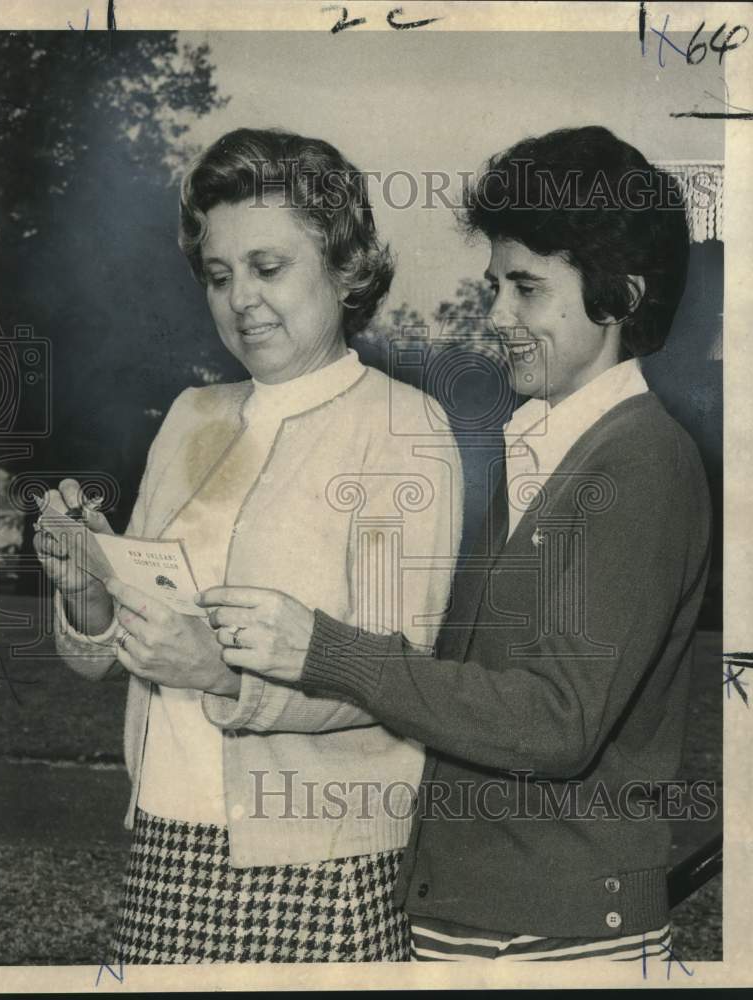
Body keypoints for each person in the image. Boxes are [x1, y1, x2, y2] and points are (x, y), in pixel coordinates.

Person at [202, 126, 713, 962]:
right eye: (493, 286)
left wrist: (326, 649)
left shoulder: (641, 462)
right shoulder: (547, 448)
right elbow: (467, 686)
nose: (496, 316)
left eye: (526, 289)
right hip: (477, 924)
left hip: (555, 937)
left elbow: (555, 723)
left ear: (618, 299)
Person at [34, 128, 462, 963]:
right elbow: (119, 654)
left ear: (345, 270)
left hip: (316, 860)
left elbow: (396, 675)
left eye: (268, 269)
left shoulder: (402, 430)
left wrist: (223, 673)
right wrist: (89, 588)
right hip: (164, 836)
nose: (240, 301)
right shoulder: (191, 417)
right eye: (220, 277)